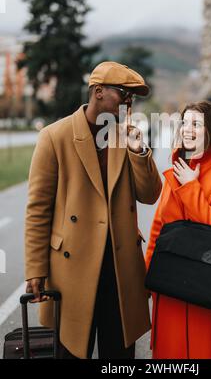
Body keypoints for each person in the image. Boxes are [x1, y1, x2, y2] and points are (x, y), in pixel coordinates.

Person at [24, 61, 162, 359]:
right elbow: (38, 210)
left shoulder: (125, 137)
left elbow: (150, 195)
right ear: (98, 92)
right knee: (72, 350)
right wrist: (36, 269)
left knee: (119, 356)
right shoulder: (54, 137)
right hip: (70, 269)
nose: (128, 103)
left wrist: (138, 151)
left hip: (119, 267)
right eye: (123, 94)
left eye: (132, 98)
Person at [145, 101, 211, 359]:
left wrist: (191, 186)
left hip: (207, 283)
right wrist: (147, 277)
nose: (187, 129)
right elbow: (159, 227)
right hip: (170, 283)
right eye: (185, 123)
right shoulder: (176, 169)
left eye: (196, 124)